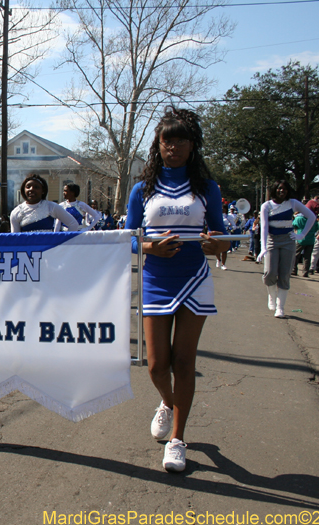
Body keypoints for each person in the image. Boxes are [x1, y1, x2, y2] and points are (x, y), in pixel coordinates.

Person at [125, 107, 230, 473]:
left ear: (192, 144)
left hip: (194, 280)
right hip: (155, 280)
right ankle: (167, 403)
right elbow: (130, 238)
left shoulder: (207, 189)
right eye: (168, 139)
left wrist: (214, 243)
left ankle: (178, 440)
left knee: (184, 362)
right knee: (157, 365)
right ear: (158, 143)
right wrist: (149, 247)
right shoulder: (142, 189)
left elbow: (221, 238)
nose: (174, 146)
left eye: (181, 139)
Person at [257, 180, 315, 317]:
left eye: (284, 189)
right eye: (279, 188)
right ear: (274, 190)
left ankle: (280, 307)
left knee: (284, 274)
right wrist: (263, 247)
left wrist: (301, 234)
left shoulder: (293, 203)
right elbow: (264, 227)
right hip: (272, 240)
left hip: (288, 241)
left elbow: (311, 216)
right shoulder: (267, 206)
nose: (282, 191)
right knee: (270, 273)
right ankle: (271, 296)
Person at [10, 174, 80, 233]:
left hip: (50, 249)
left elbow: (73, 224)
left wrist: (63, 244)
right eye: (28, 187)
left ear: (43, 190)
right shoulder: (16, 212)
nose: (31, 189)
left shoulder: (51, 207)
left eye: (36, 187)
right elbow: (15, 239)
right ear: (23, 190)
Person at [291, 208, 318, 277]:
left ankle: (294, 270)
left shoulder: (298, 218)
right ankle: (305, 272)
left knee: (296, 255)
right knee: (307, 257)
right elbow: (316, 228)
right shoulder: (313, 219)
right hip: (311, 239)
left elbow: (293, 225)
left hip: (300, 238)